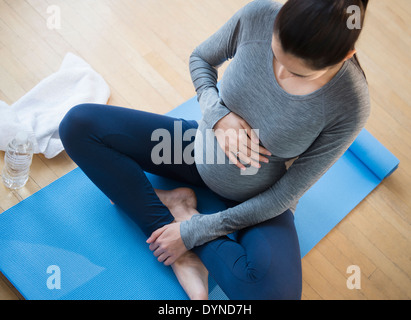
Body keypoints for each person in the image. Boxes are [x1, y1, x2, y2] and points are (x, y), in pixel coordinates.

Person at [59, 0, 370, 300]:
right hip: (196, 150)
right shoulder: (260, 15)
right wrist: (218, 116)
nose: (282, 74)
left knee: (275, 295)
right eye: (275, 53)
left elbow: (287, 193)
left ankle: (183, 216)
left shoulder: (349, 104)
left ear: (345, 55)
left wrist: (196, 230)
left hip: (259, 196)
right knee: (78, 125)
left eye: (300, 73)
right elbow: (201, 59)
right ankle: (174, 241)